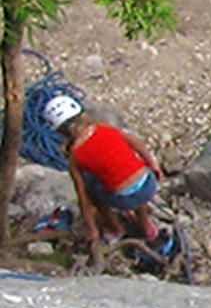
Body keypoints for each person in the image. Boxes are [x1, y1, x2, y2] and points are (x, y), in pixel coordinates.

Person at [46, 93, 181, 266]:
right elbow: (135, 143)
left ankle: (114, 227)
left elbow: (83, 198)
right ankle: (146, 227)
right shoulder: (104, 128)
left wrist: (93, 229)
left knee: (91, 188)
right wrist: (152, 165)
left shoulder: (75, 157)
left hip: (123, 199)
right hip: (148, 185)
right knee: (132, 178)